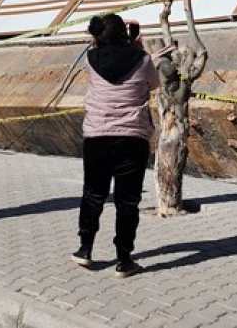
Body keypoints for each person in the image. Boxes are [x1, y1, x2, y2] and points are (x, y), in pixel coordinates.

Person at [72, 14, 161, 278]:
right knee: (127, 201)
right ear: (126, 33)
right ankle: (124, 259)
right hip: (132, 138)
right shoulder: (142, 59)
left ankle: (85, 249)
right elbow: (153, 84)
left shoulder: (90, 60)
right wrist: (138, 47)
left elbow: (105, 56)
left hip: (97, 137)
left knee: (93, 194)